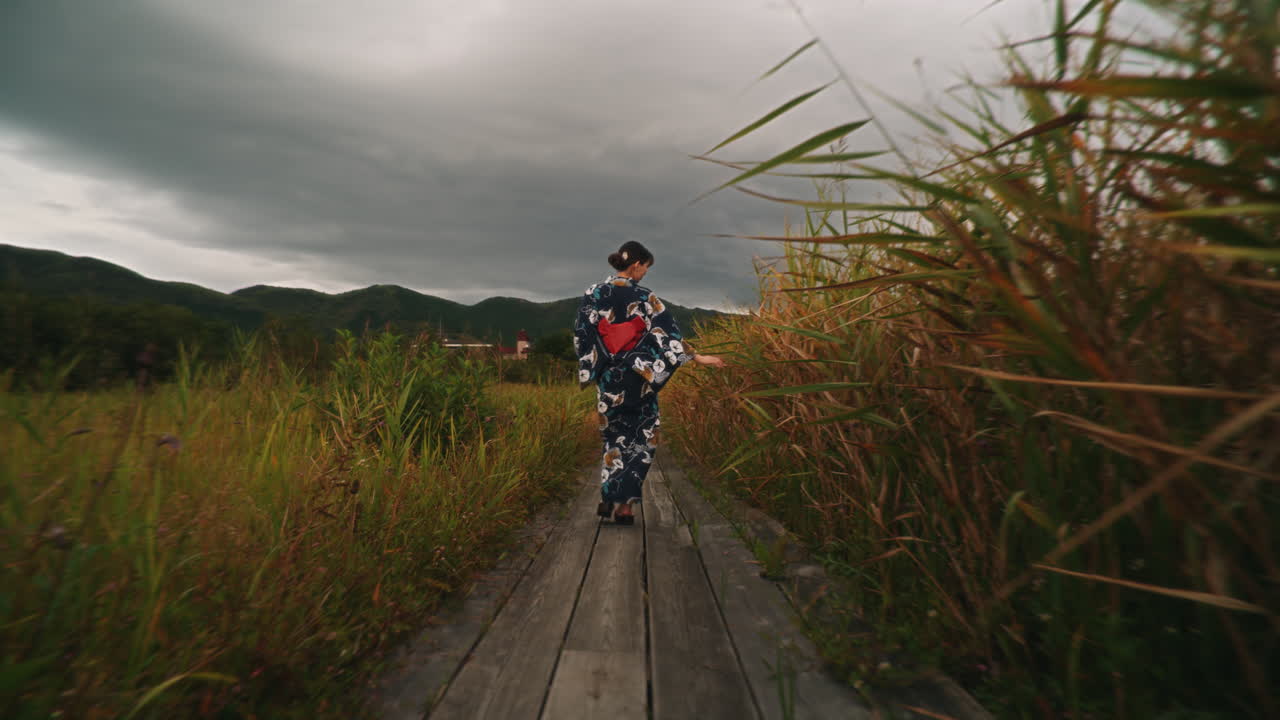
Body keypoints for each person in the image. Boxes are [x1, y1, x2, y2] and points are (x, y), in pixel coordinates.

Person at [573, 241, 725, 525]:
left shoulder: (592, 293)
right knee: (643, 437)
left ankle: (608, 497)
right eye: (645, 268)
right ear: (636, 264)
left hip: (609, 379)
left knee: (613, 437)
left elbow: (584, 334)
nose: (645, 274)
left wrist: (596, 366)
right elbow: (667, 335)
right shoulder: (644, 297)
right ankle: (626, 507)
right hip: (639, 378)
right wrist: (698, 356)